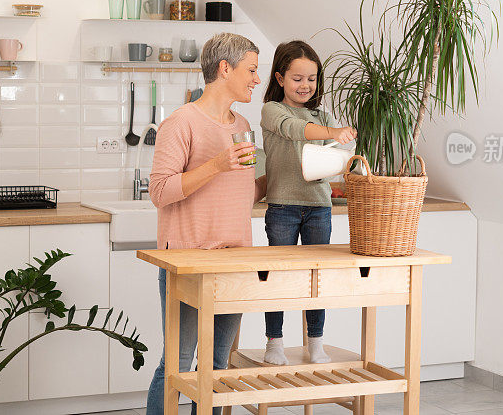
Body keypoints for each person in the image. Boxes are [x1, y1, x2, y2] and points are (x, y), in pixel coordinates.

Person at [145, 33, 267, 415]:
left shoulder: (242, 123)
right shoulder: (181, 123)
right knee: (178, 365)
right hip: (188, 263)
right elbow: (160, 191)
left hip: (233, 262)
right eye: (251, 70)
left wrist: (288, 171)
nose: (256, 79)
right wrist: (216, 164)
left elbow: (240, 194)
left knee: (216, 367)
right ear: (224, 68)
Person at [259, 40, 357, 365]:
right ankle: (275, 342)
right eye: (298, 78)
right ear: (280, 78)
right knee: (279, 277)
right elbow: (297, 130)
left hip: (319, 206)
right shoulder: (273, 111)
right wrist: (333, 131)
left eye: (312, 78)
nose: (305, 85)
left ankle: (315, 342)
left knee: (317, 277)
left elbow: (330, 158)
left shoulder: (322, 115)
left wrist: (340, 143)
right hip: (283, 207)